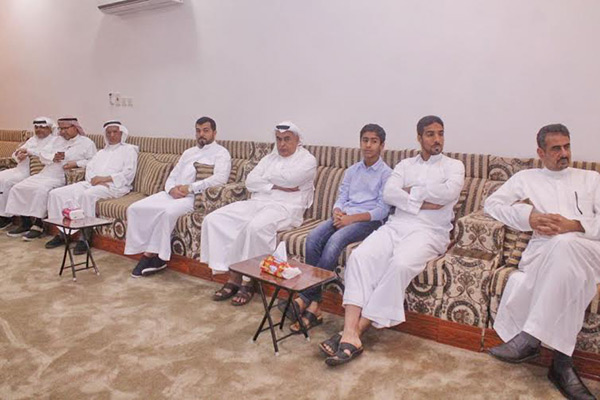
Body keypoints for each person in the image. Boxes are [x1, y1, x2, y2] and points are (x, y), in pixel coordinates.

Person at [320, 115, 464, 366]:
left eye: (440, 133)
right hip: (396, 225)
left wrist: (409, 193)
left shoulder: (454, 166)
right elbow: (389, 193)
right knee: (360, 256)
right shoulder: (405, 165)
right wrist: (425, 200)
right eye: (430, 134)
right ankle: (350, 331)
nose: (437, 139)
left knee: (400, 264)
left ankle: (353, 333)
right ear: (419, 137)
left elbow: (448, 193)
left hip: (430, 231)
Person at [484, 124, 599, 400]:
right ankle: (562, 365)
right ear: (540, 152)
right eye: (556, 148)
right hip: (545, 252)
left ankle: (531, 338)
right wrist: (529, 218)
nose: (564, 153)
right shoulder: (527, 178)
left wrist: (575, 225)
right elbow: (492, 204)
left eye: (567, 146)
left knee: (566, 244)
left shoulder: (591, 179)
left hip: (590, 248)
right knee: (569, 267)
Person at [286, 123, 392, 333]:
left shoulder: (387, 174)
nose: (368, 145)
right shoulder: (352, 170)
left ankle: (306, 298)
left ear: (382, 146)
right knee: (313, 238)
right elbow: (342, 197)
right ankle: (314, 304)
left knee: (334, 242)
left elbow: (382, 210)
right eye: (365, 140)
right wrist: (337, 211)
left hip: (367, 221)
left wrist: (351, 219)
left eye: (374, 141)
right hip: (344, 215)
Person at [201, 121, 317, 306]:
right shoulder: (269, 158)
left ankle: (248, 281)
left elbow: (292, 180)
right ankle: (232, 273)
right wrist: (276, 185)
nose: (282, 144)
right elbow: (250, 182)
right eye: (278, 139)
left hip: (286, 207)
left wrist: (267, 180)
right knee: (215, 219)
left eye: (287, 139)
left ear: (298, 140)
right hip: (257, 202)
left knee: (255, 227)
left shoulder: (307, 160)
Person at [126, 117, 231, 278]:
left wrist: (190, 188)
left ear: (214, 133)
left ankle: (154, 256)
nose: (201, 134)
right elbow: (173, 175)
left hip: (194, 197)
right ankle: (140, 248)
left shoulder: (221, 153)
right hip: (173, 193)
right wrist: (171, 189)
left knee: (167, 213)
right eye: (198, 131)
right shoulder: (188, 152)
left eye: (205, 130)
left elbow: (220, 179)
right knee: (135, 208)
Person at [45, 121, 138, 254]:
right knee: (56, 193)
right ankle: (62, 233)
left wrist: (105, 179)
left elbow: (128, 173)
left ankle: (85, 237)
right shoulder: (102, 152)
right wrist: (94, 179)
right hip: (92, 183)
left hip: (114, 186)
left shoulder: (129, 150)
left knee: (88, 195)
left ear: (121, 133)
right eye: (109, 132)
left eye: (115, 132)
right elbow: (90, 167)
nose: (112, 135)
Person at [5, 117, 97, 240]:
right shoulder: (56, 140)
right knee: (18, 187)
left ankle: (38, 225)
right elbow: (42, 155)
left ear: (75, 128)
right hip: (46, 172)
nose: (62, 132)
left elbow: (93, 161)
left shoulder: (87, 143)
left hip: (63, 176)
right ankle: (25, 223)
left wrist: (76, 163)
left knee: (40, 190)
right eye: (61, 129)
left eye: (66, 128)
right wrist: (53, 157)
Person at [0, 117, 56, 231]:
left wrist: (29, 152)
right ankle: (2, 215)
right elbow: (15, 153)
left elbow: (47, 156)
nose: (38, 130)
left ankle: (10, 217)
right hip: (19, 169)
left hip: (35, 172)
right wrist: (18, 156)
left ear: (50, 129)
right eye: (36, 127)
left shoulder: (54, 141)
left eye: (42, 127)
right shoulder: (32, 140)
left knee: (9, 182)